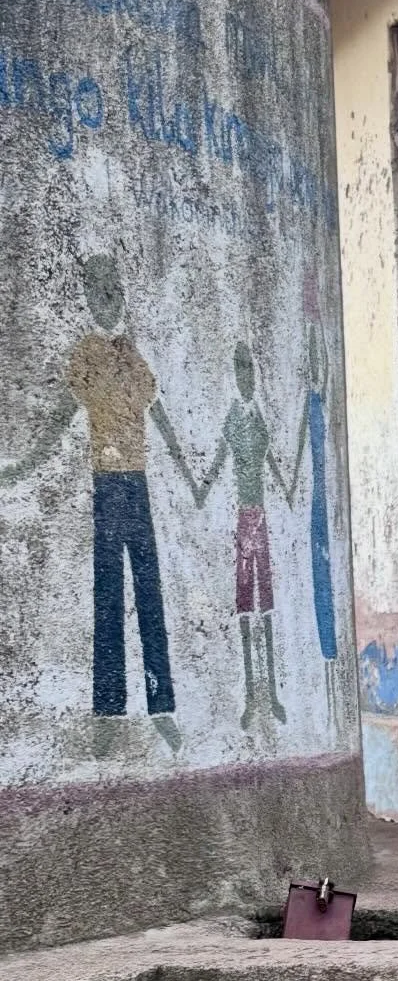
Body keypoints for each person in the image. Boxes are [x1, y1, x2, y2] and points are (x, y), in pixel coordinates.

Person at [0, 254, 189, 755]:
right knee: (109, 598)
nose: (107, 299)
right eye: (99, 291)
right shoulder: (85, 353)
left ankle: (162, 705)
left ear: (121, 296)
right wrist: (25, 463)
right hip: (106, 486)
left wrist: (187, 469)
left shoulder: (131, 354)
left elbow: (159, 411)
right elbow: (65, 412)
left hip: (139, 484)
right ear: (89, 297)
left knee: (150, 597)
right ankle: (109, 708)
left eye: (113, 290)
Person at [196, 342, 295, 730]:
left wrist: (288, 490)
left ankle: (270, 693)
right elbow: (220, 460)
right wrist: (200, 488)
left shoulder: (257, 420)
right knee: (244, 608)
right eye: (241, 372)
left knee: (266, 608)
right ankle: (251, 695)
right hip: (242, 520)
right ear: (236, 378)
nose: (246, 378)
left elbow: (271, 461)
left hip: (262, 519)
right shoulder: (234, 418)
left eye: (249, 370)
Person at [291, 269, 339, 730]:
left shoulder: (319, 403)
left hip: (322, 505)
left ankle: (329, 662)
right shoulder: (309, 408)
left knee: (324, 577)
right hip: (313, 507)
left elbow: (320, 365)